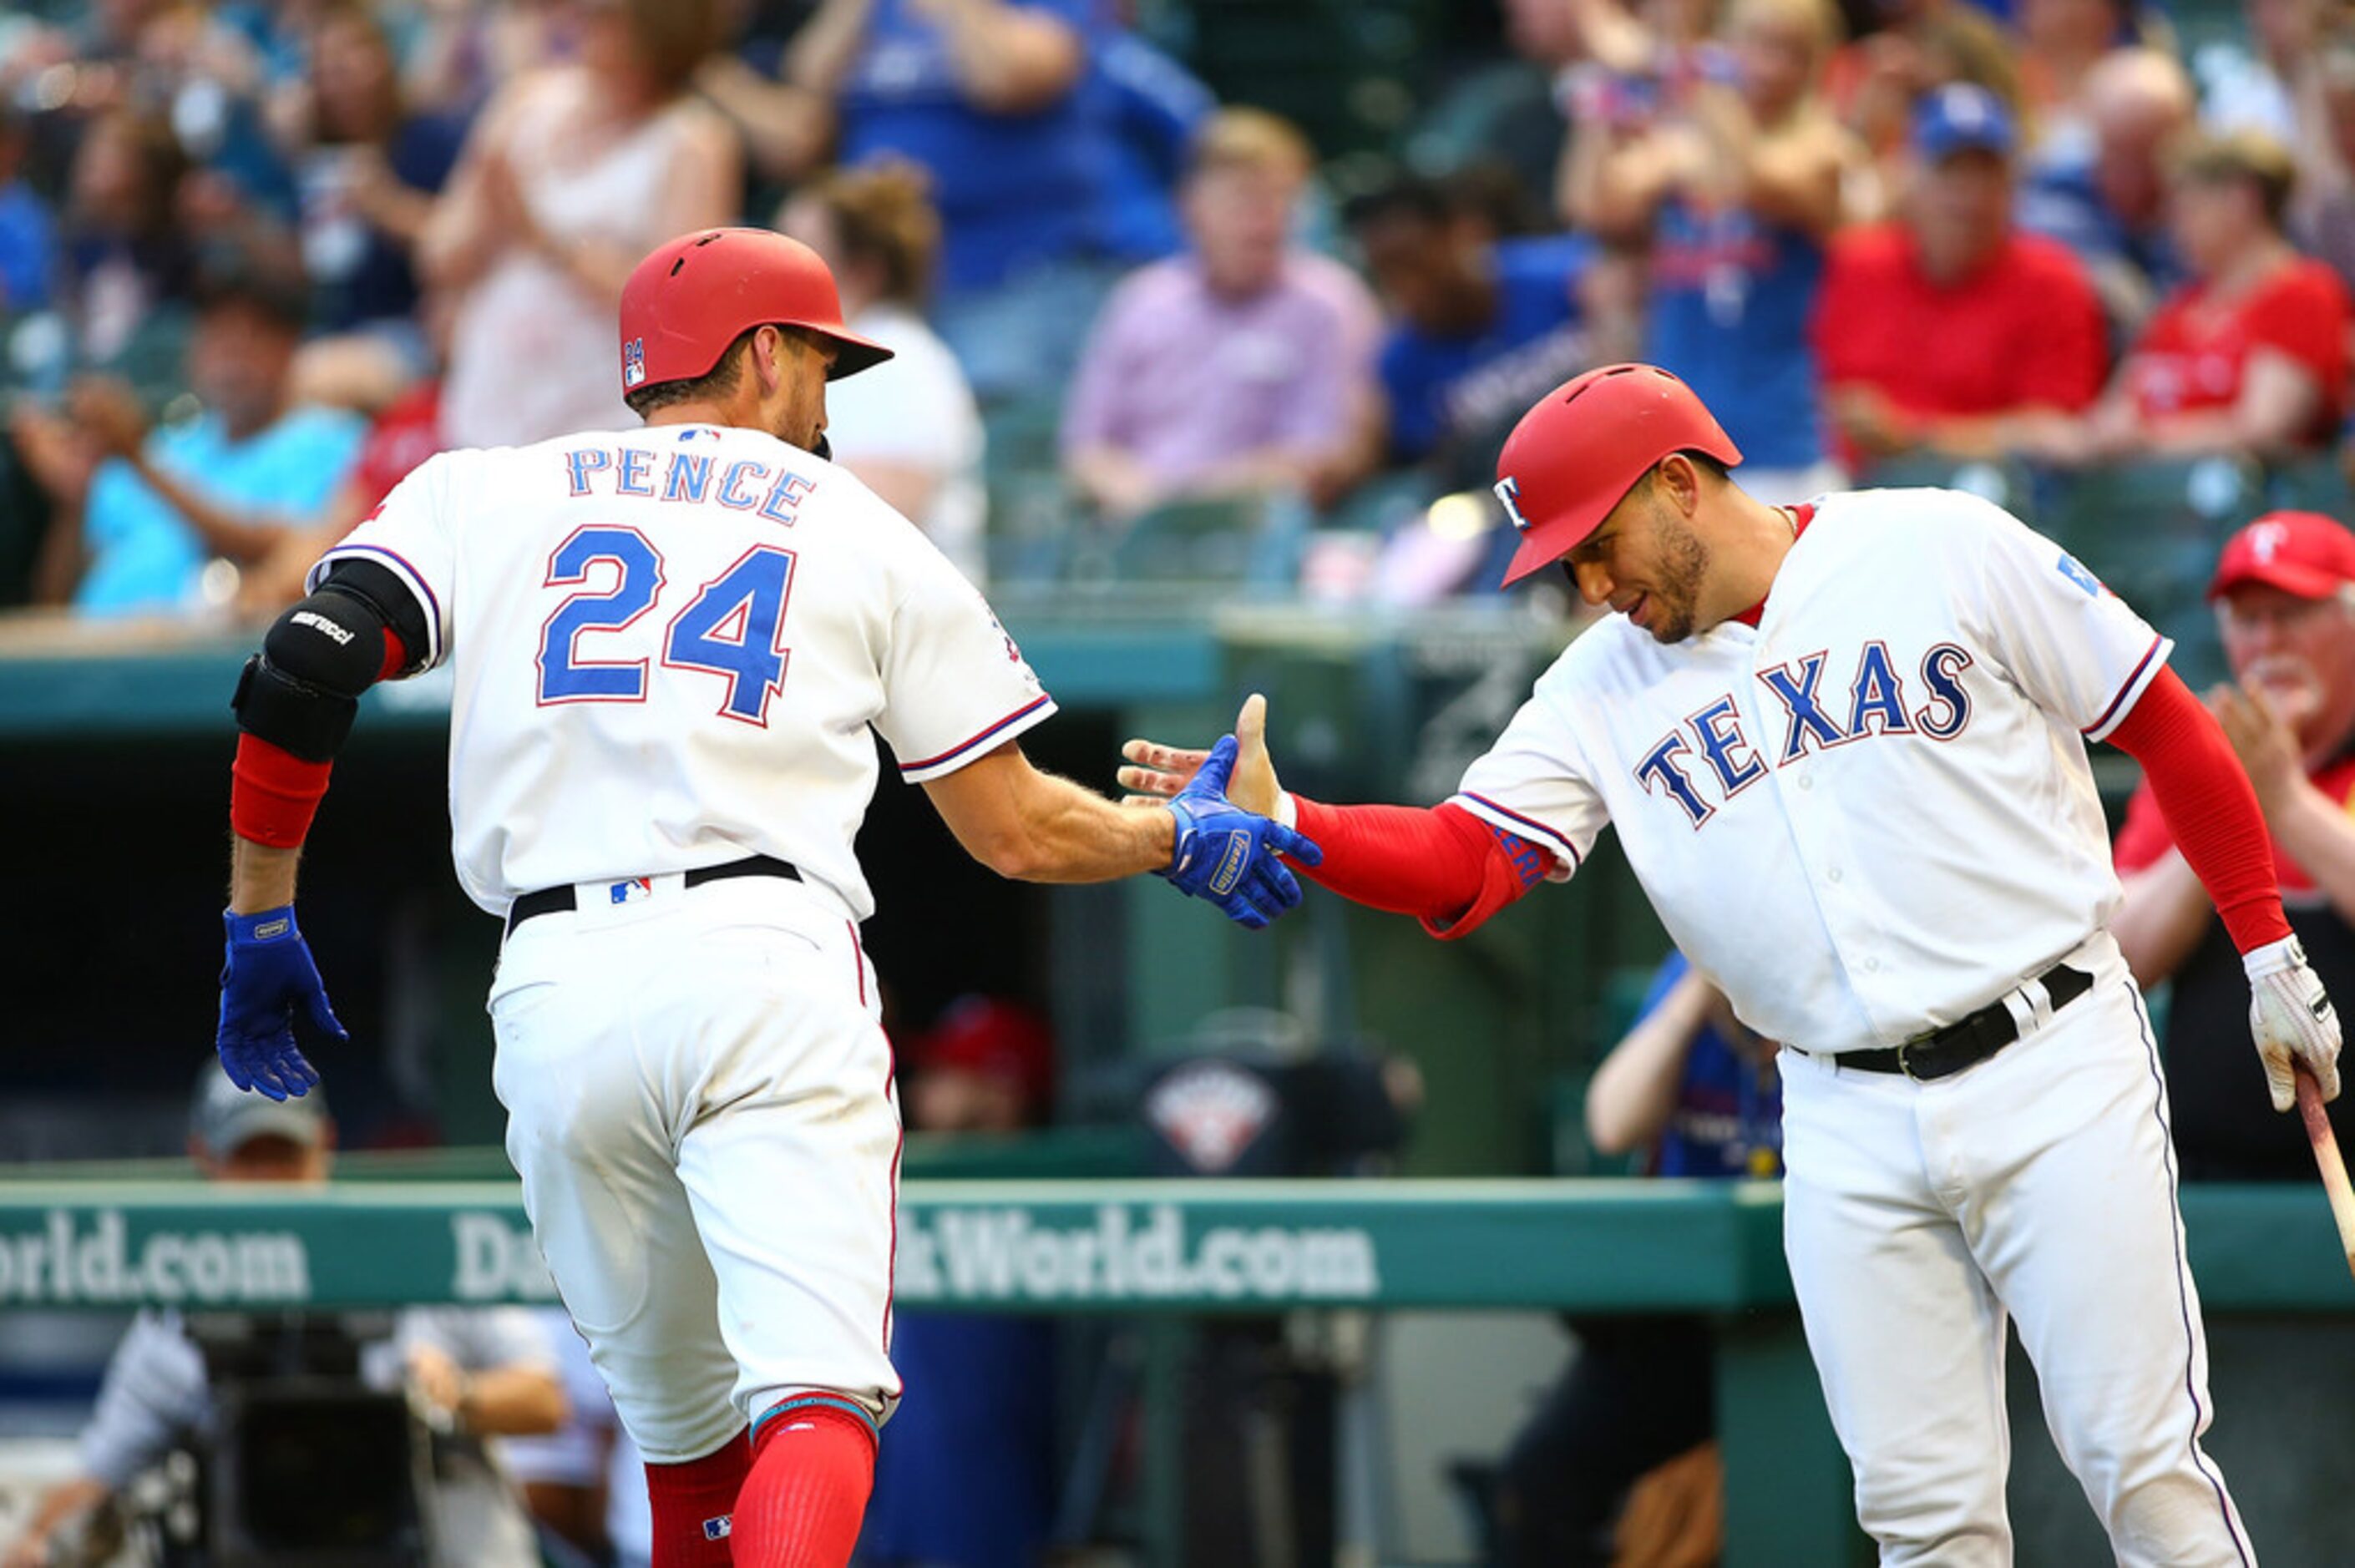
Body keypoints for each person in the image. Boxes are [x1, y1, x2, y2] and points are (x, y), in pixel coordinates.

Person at [206, 227, 1317, 1568]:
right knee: (815, 1398)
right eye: (820, 369)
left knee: (683, 1450)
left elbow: (301, 666)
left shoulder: (486, 490)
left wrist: (260, 915)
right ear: (765, 353)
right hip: (762, 953)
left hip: (555, 984)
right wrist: (1175, 838)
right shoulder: (861, 528)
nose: (825, 403)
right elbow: (1016, 830)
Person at [1118, 361, 2343, 1565]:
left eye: (1597, 546)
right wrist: (1299, 824)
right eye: (1565, 564)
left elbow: (2165, 721)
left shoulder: (1937, 544)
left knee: (2143, 1468)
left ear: (1678, 484)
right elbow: (1463, 855)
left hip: (2055, 1052)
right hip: (1840, 1107)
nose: (1591, 584)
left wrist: (2265, 944)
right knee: (1923, 1519)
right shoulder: (1596, 686)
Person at [2, 1068, 566, 1568]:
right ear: (206, 1158)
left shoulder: (407, 1256)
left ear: (325, 1147)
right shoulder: (179, 1314)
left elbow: (547, 1400)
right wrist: (37, 1540)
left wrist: (456, 1395)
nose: (270, 1179)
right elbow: (98, 1478)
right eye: (250, 1158)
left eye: (285, 1155)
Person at [1492, 951, 1781, 1566]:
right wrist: (1698, 993)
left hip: (1821, 1311)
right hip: (1691, 1315)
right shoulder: (1689, 982)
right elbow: (1613, 1124)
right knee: (1538, 1479)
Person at [2114, 511, 2355, 1177]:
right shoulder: (2193, 762)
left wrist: (2283, 800)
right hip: (2209, 1172)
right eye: (2248, 620)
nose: (2269, 641)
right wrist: (2226, 806)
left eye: (2293, 613)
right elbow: (2124, 956)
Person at [1565, 0, 1860, 499]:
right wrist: (1607, 99)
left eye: (1790, 51)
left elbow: (1748, 178)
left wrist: (1688, 70)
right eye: (1756, 46)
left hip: (1784, 443)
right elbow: (1594, 208)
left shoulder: (1824, 150)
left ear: (1814, 66)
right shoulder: (1681, 151)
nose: (1768, 67)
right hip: (1679, 446)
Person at [418, 0, 740, 448]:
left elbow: (673, 306)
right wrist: (488, 216)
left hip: (600, 416)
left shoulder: (694, 141)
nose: (583, 15)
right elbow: (439, 256)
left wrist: (543, 238)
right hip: (491, 392)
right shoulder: (524, 101)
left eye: (606, 13)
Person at [1060, 107, 1380, 521]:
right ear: (1191, 206)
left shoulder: (1332, 303)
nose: (1265, 219)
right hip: (1134, 532)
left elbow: (1323, 459)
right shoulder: (1143, 299)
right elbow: (1085, 447)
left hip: (1264, 537)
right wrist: (1130, 493)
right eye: (1245, 199)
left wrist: (1176, 502)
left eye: (1282, 197)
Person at [16, 267, 366, 616]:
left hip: (197, 659)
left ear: (290, 348)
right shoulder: (171, 444)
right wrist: (74, 504)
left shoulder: (332, 441)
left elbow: (287, 554)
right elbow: (57, 600)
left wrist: (139, 460)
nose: (233, 354)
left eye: (253, 336)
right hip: (86, 654)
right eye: (217, 334)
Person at [1813, 83, 2109, 468]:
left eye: (1987, 173)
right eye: (1949, 171)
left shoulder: (2052, 279)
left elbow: (2056, 433)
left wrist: (1912, 435)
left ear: (2012, 186)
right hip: (1839, 491)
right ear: (1911, 177)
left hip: (1989, 500)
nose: (1969, 195)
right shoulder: (1852, 264)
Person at [2050, 127, 2350, 464]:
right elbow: (2112, 417)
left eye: (2188, 208)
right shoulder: (2179, 307)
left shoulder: (2304, 291)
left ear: (2242, 200)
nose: (2176, 226)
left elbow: (2262, 426)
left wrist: (2148, 439)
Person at [777, 163, 989, 582]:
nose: (776, 271)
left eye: (800, 253)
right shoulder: (808, 361)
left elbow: (878, 519)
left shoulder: (899, 362)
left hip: (910, 627)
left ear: (864, 271)